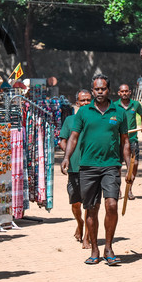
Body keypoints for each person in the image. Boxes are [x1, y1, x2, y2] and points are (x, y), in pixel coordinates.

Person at [61, 74, 130, 266]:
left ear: (109, 90)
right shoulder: (84, 113)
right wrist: (66, 157)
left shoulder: (119, 112)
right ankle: (94, 249)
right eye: (96, 89)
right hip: (88, 167)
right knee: (91, 209)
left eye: (103, 89)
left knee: (112, 205)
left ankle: (108, 248)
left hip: (111, 165)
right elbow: (73, 137)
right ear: (92, 91)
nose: (100, 92)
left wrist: (129, 167)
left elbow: (125, 142)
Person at [58, 89, 92, 248]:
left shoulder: (95, 120)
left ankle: (87, 237)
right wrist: (67, 155)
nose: (85, 103)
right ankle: (80, 223)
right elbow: (62, 140)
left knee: (89, 204)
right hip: (73, 168)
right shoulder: (70, 120)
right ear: (77, 103)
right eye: (82, 100)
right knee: (75, 204)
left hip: (91, 168)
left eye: (88, 100)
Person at [113, 83, 142, 200]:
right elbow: (110, 118)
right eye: (122, 91)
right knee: (117, 166)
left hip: (132, 139)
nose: (124, 93)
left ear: (130, 92)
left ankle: (129, 189)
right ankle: (117, 190)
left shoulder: (135, 104)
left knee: (134, 164)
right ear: (119, 93)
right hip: (118, 140)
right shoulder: (114, 105)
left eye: (126, 91)